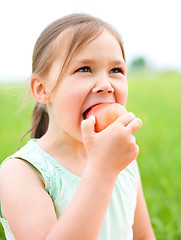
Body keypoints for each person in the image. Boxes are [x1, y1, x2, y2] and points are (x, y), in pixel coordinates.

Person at [0, 13, 156, 240]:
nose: (105, 85)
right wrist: (102, 170)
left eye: (116, 70)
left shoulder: (125, 162)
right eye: (84, 69)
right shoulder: (21, 173)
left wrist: (110, 166)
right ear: (42, 89)